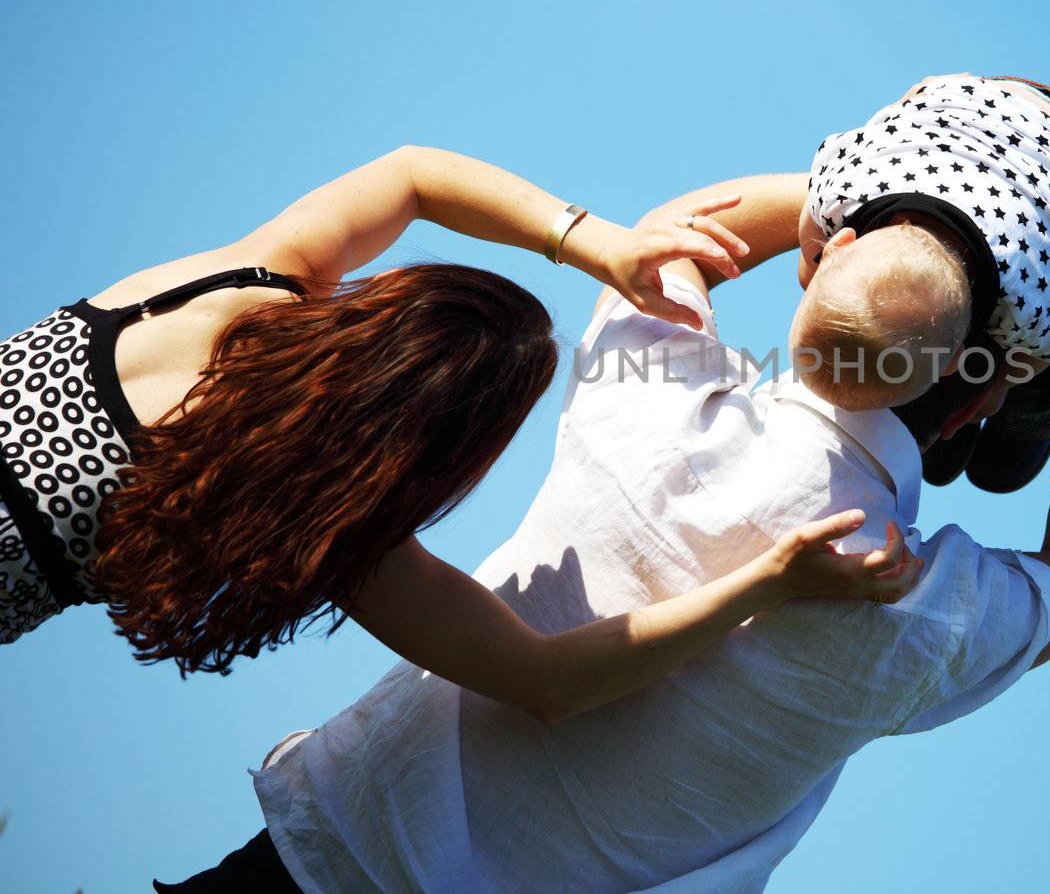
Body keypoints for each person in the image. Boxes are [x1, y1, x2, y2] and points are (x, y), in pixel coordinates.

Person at [181, 144, 1050, 892]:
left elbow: (673, 234)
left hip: (329, 848)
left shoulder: (647, 391)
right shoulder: (922, 612)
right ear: (975, 407)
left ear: (821, 264)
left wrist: (904, 205)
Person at [0, 144, 919, 721]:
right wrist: (769, 578)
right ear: (438, 453)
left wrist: (592, 240)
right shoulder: (307, 515)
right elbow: (545, 680)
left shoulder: (228, 290)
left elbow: (410, 174)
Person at [794, 72, 1050, 491]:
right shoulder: (843, 192)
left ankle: (1016, 413)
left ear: (957, 355)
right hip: (973, 98)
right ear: (840, 245)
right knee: (810, 276)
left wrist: (1001, 383)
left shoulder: (1033, 302)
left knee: (1005, 451)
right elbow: (810, 256)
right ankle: (949, 421)